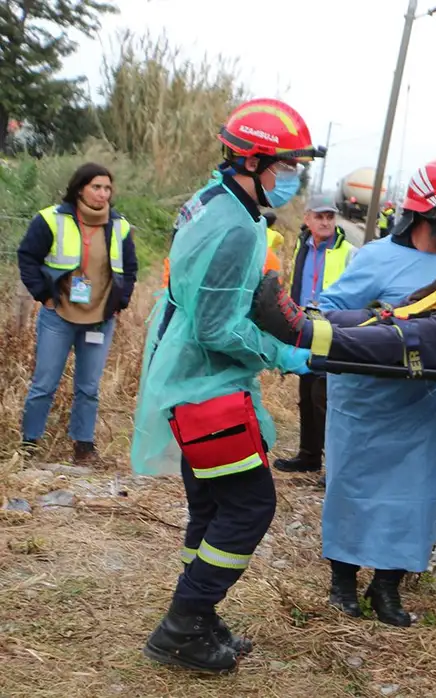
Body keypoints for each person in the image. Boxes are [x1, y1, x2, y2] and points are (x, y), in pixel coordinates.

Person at [130, 98, 323, 673]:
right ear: (252, 161)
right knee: (250, 506)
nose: (292, 178)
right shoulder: (237, 227)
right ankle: (183, 624)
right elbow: (217, 326)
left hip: (188, 374)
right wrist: (283, 353)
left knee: (212, 502)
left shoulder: (210, 201)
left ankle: (199, 613)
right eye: (286, 166)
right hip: (206, 385)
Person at [316, 158, 436, 627]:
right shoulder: (375, 258)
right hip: (363, 403)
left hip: (418, 406)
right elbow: (329, 310)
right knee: (352, 490)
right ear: (427, 211)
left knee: (414, 496)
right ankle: (342, 583)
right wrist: (379, 323)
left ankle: (386, 588)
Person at [17, 162, 139, 465]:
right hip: (58, 314)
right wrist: (43, 295)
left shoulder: (119, 225)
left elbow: (130, 268)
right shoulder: (50, 219)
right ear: (80, 188)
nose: (102, 194)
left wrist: (119, 302)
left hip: (99, 318)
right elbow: (27, 257)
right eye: (96, 187)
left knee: (88, 388)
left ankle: (83, 448)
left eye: (107, 188)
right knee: (44, 384)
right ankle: (29, 446)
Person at [272, 193, 358, 475]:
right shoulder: (303, 247)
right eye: (319, 216)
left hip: (333, 329)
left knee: (326, 398)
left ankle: (335, 467)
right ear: (307, 218)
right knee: (307, 393)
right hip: (306, 326)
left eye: (330, 216)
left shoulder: (349, 252)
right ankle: (308, 457)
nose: (325, 222)